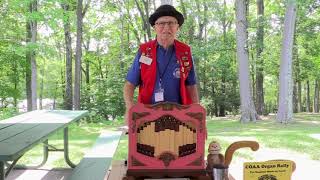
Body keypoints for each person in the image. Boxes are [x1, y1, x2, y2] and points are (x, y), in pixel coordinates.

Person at [123, 4, 199, 123]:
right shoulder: (144, 51)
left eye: (171, 23)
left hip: (179, 116)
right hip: (147, 115)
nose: (166, 27)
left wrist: (197, 112)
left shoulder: (185, 51)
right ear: (154, 27)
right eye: (161, 23)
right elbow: (129, 84)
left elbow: (191, 85)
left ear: (177, 27)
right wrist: (129, 107)